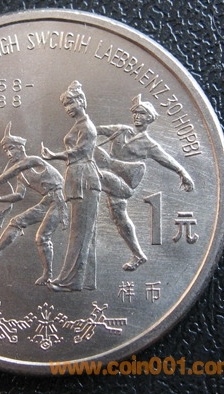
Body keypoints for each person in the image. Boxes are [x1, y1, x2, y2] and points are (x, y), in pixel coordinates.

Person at [95, 94, 194, 271]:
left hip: (124, 180)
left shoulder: (148, 144)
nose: (137, 116)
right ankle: (138, 254)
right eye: (135, 113)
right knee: (118, 216)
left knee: (117, 214)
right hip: (108, 173)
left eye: (141, 114)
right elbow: (97, 130)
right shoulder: (121, 130)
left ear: (149, 118)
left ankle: (138, 254)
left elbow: (165, 158)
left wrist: (182, 172)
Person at [0, 122, 68, 286]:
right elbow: (19, 195)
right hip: (48, 200)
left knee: (42, 237)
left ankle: (48, 274)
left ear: (21, 148)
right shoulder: (22, 174)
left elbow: (12, 171)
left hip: (61, 199)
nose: (9, 153)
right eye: (6, 151)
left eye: (11, 148)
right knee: (16, 222)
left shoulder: (33, 160)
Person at [41, 80, 101, 292]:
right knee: (86, 232)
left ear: (81, 101)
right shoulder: (78, 126)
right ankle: (87, 281)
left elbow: (80, 151)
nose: (67, 108)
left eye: (71, 103)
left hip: (84, 178)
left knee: (79, 231)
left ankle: (70, 281)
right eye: (65, 105)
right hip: (77, 177)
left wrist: (55, 155)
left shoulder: (87, 127)